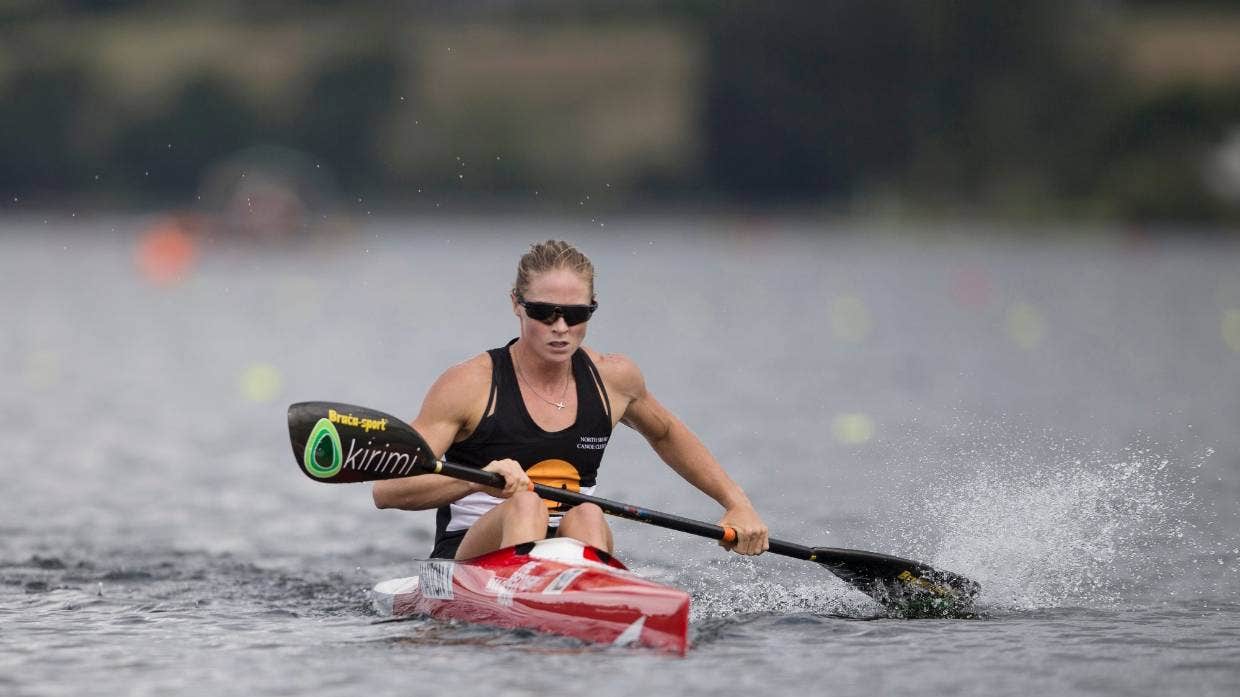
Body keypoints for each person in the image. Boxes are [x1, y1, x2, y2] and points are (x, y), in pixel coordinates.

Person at [373, 240, 769, 560]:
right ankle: (535, 590)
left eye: (576, 314)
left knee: (588, 513)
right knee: (526, 506)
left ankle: (583, 606)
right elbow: (388, 490)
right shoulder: (469, 384)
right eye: (545, 312)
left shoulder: (614, 379)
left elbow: (666, 436)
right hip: (471, 555)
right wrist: (476, 482)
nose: (560, 328)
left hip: (570, 548)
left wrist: (738, 504)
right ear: (516, 304)